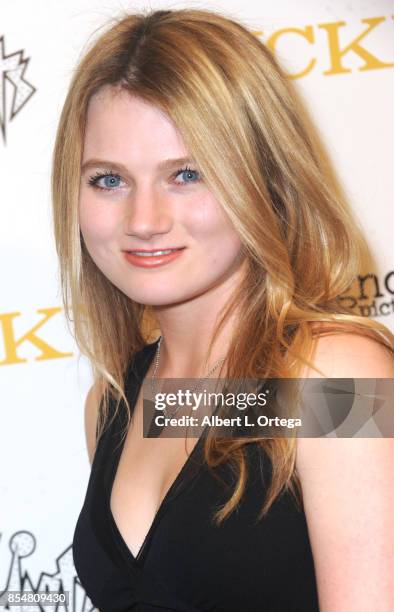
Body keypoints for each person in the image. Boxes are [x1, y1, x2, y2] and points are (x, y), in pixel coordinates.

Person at [51, 7, 394, 611]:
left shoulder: (332, 382)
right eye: (109, 180)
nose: (144, 220)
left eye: (187, 174)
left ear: (264, 178)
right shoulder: (114, 404)